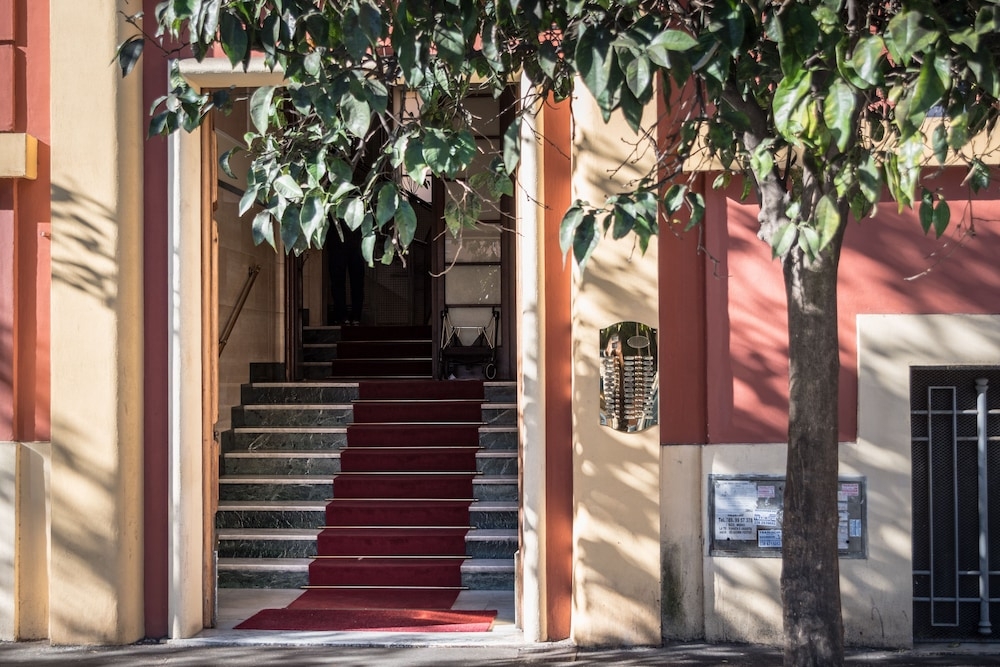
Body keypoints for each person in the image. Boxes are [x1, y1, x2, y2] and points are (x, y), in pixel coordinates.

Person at [328, 220, 365, 325]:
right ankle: (342, 316)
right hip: (338, 240)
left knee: (356, 282)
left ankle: (354, 316)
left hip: (354, 240)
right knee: (338, 281)